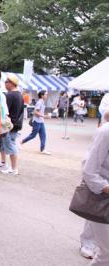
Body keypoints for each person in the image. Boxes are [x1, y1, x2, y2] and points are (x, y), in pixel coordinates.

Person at [79, 110, 109, 265]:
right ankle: (87, 243)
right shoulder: (106, 132)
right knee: (107, 255)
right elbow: (89, 172)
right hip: (102, 198)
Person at [0, 74, 24, 175]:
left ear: (12, 83)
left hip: (8, 125)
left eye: (6, 82)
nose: (5, 84)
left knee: (10, 145)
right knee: (4, 145)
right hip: (16, 124)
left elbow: (4, 111)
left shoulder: (10, 96)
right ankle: (3, 163)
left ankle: (14, 168)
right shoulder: (19, 95)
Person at [21, 90, 52, 155]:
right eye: (46, 94)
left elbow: (39, 112)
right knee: (33, 135)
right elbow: (35, 112)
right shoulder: (39, 102)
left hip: (41, 121)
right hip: (37, 121)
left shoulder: (42, 102)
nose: (46, 95)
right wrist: (45, 116)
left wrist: (44, 116)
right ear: (42, 95)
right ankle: (21, 142)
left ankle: (42, 149)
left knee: (43, 135)